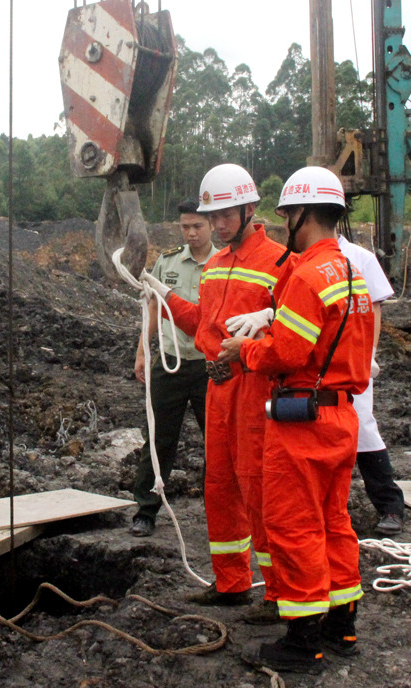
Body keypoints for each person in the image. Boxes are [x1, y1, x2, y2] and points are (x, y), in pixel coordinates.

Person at [220, 166, 373, 673]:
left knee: (293, 526)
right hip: (341, 417)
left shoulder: (308, 276)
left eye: (286, 214)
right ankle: (341, 625)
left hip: (302, 422)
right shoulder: (352, 274)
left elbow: (287, 351)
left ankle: (303, 640)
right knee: (334, 521)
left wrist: (245, 350)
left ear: (300, 215)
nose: (283, 221)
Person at [141, 163, 295, 624]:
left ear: (250, 209)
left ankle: (279, 592)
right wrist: (162, 296)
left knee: (258, 486)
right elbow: (204, 327)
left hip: (255, 387)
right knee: (220, 484)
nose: (220, 224)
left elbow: (295, 337)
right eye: (215, 216)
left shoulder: (281, 263)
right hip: (219, 386)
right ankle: (231, 582)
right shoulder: (215, 266)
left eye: (228, 215)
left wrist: (250, 347)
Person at [130, 200, 218, 537]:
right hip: (171, 364)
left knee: (218, 442)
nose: (192, 233)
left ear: (210, 225)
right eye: (185, 227)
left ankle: (221, 511)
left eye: (198, 226)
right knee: (158, 439)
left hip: (210, 366)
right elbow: (153, 306)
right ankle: (146, 510)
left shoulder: (223, 265)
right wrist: (142, 351)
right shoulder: (167, 263)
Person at [337, 233, 405, 535]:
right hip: (314, 364)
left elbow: (374, 306)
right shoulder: (297, 256)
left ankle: (390, 505)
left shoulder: (358, 258)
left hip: (352, 361)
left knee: (362, 428)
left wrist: (370, 353)